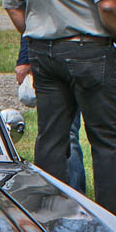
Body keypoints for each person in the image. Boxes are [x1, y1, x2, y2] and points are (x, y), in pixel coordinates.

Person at [3, 0, 116, 222]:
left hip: (43, 51)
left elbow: (13, 6)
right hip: (90, 48)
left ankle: (49, 216)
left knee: (51, 139)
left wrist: (37, 31)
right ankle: (113, 221)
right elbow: (108, 4)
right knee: (107, 141)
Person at [16, 36, 86, 193]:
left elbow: (28, 22)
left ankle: (62, 193)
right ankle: (70, 193)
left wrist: (24, 58)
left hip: (53, 54)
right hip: (75, 52)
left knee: (58, 134)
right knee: (64, 133)